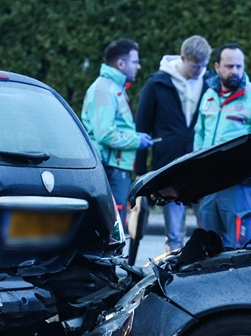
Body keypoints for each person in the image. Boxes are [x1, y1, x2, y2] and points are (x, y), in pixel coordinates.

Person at [194, 42, 251, 247]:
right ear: (217, 67)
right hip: (209, 185)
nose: (234, 71)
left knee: (241, 250)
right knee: (209, 248)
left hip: (239, 187)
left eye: (239, 66)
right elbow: (199, 133)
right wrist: (196, 170)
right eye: (229, 66)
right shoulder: (209, 95)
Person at [134, 35, 211, 254]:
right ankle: (173, 264)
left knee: (207, 226)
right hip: (169, 165)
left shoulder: (210, 83)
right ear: (183, 58)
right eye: (195, 66)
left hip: (202, 164)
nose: (199, 71)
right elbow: (142, 125)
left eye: (203, 66)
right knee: (174, 233)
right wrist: (141, 171)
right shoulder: (157, 83)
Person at [81, 38, 153, 260]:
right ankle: (107, 269)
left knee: (114, 226)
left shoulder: (112, 88)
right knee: (111, 228)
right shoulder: (105, 90)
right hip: (111, 168)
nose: (138, 66)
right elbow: (106, 134)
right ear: (121, 64)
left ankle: (110, 267)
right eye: (135, 61)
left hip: (115, 166)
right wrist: (137, 140)